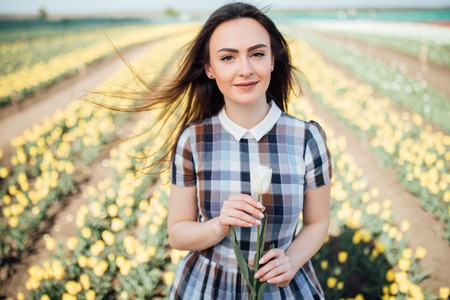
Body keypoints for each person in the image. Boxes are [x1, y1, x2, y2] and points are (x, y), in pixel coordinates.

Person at [146, 2, 332, 299]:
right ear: (209, 68)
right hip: (208, 286)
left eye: (257, 54)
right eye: (228, 58)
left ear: (272, 60)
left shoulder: (306, 138)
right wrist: (220, 225)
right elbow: (178, 233)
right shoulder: (193, 140)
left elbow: (318, 222)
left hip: (282, 286)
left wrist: (291, 261)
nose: (245, 70)